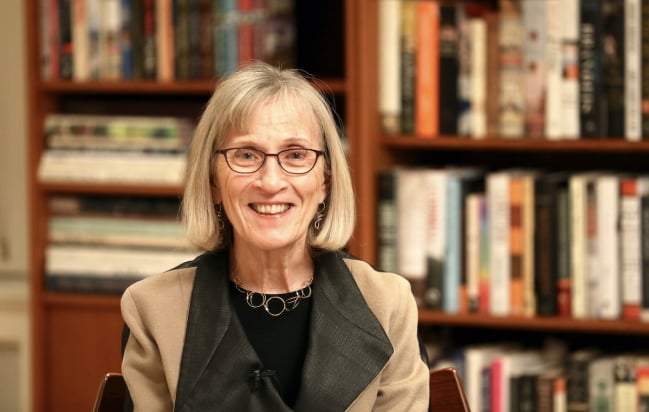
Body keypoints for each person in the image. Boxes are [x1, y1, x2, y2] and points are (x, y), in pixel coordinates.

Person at [120, 61, 430, 411]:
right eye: (246, 155)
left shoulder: (388, 303)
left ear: (325, 181)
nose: (271, 182)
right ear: (212, 182)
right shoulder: (153, 310)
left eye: (296, 155)